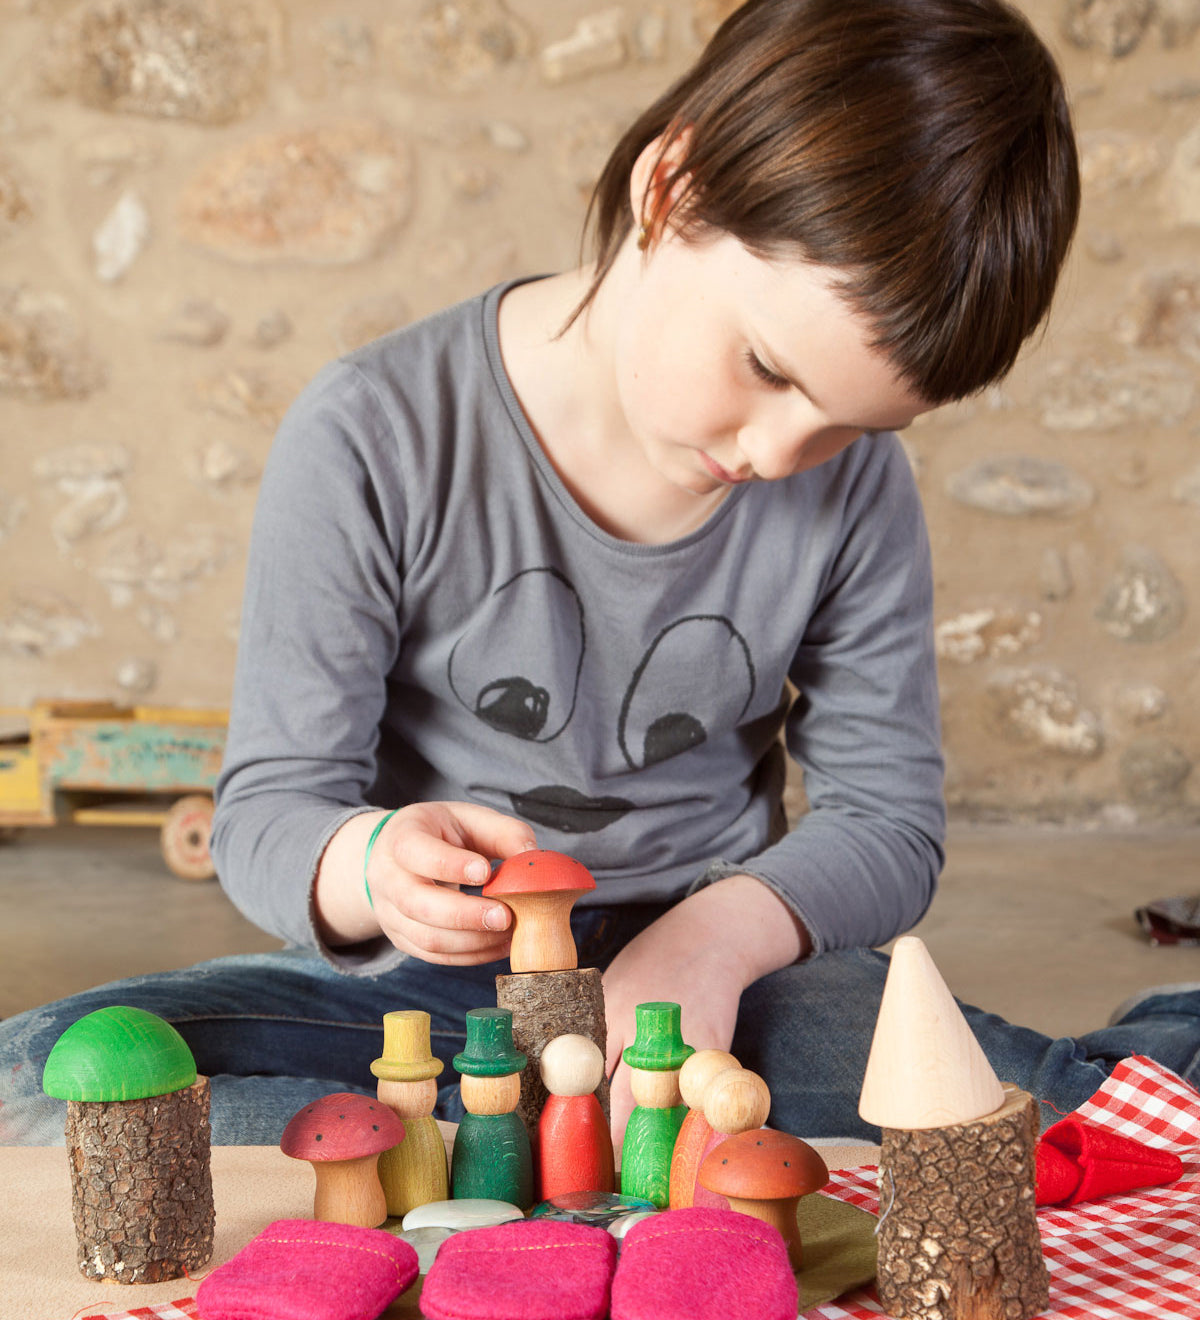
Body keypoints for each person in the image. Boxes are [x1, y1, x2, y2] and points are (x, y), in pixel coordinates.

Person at [3, 0, 1198, 1150]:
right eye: (770, 370)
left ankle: (491, 1165)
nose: (774, 456)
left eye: (845, 426)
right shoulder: (372, 432)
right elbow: (269, 813)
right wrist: (367, 867)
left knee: (1042, 1118)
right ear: (668, 190)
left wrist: (719, 941)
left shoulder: (854, 490)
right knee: (44, 1081)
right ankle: (503, 1149)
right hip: (422, 1000)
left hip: (715, 993)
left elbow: (888, 823)